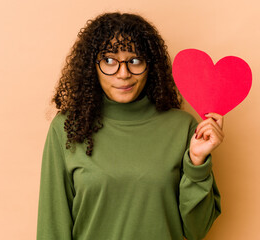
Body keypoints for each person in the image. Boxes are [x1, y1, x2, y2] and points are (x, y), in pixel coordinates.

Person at [37, 12, 224, 240]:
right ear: (91, 67)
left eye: (135, 61)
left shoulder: (184, 127)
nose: (123, 73)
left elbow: (197, 230)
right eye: (109, 61)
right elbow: (52, 224)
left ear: (150, 65)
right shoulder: (68, 127)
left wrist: (197, 162)